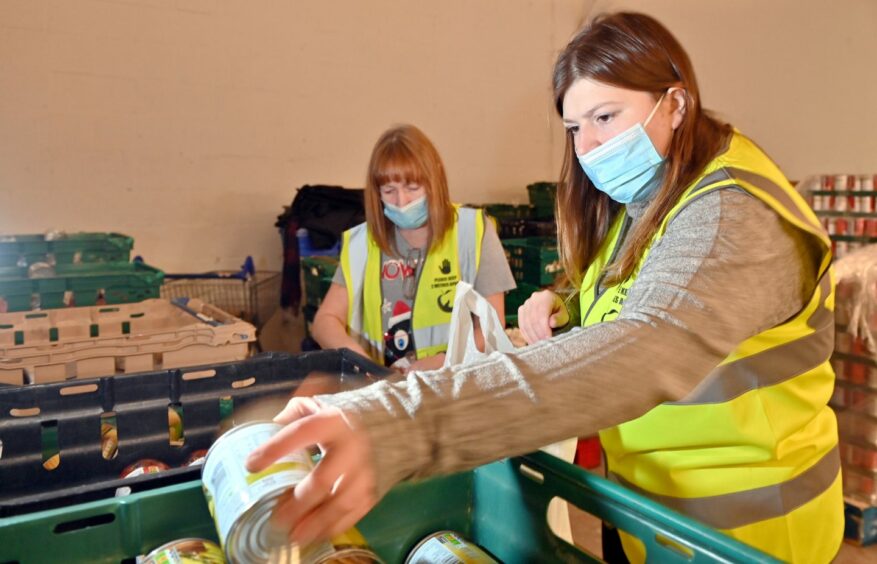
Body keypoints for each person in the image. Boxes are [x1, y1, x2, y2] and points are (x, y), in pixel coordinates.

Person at [248, 13, 843, 563]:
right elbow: (633, 295)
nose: (587, 149)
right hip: (656, 515)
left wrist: (407, 424)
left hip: (749, 535)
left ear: (676, 103)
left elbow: (647, 346)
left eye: (606, 118)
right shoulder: (650, 197)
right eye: (574, 127)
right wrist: (566, 305)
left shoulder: (730, 213)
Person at [311, 124, 515, 372]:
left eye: (412, 188)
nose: (402, 201)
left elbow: (492, 327)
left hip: (456, 385)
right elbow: (324, 320)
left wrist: (442, 362)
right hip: (386, 389)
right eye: (389, 191)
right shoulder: (362, 244)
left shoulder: (473, 231)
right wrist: (354, 355)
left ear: (434, 181)